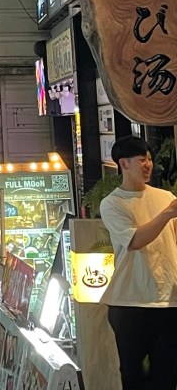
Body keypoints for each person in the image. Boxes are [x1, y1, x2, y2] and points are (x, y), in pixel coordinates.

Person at [99, 136, 177, 390]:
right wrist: (168, 213)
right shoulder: (112, 203)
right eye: (142, 159)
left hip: (168, 300)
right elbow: (134, 241)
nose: (148, 165)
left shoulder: (165, 197)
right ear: (124, 164)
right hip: (129, 302)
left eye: (150, 159)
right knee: (132, 375)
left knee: (166, 375)